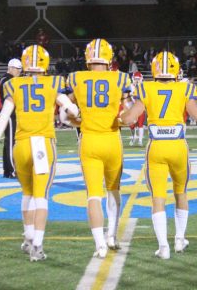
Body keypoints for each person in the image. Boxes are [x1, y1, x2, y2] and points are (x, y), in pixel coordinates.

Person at [0, 45, 78, 262]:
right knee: (41, 196)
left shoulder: (13, 85)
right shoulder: (52, 83)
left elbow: (3, 118)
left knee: (27, 193)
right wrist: (72, 116)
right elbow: (70, 108)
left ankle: (27, 238)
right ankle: (37, 244)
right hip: (42, 144)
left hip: (21, 145)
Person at [120, 51, 197, 260]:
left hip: (156, 147)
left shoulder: (146, 88)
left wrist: (123, 106)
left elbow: (129, 119)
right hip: (178, 146)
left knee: (158, 198)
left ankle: (163, 247)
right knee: (181, 192)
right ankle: (180, 239)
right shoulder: (185, 88)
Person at [66, 38, 132, 259]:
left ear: (87, 58)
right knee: (113, 189)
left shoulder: (76, 78)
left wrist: (80, 122)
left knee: (93, 195)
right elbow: (128, 113)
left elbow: (66, 115)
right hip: (112, 139)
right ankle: (111, 235)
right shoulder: (121, 77)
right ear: (109, 58)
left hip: (89, 141)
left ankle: (100, 245)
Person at [0, 58, 23, 178]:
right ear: (11, 68)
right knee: (11, 142)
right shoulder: (8, 80)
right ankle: (12, 169)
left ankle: (7, 170)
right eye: (18, 69)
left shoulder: (6, 79)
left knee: (9, 141)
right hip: (10, 113)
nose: (19, 72)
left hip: (9, 113)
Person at [129, 71, 146, 146]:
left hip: (140, 108)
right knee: (132, 125)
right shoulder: (130, 86)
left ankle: (140, 140)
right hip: (132, 108)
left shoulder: (144, 87)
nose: (137, 80)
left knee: (140, 124)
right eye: (135, 79)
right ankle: (133, 137)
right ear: (133, 79)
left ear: (141, 79)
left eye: (138, 79)